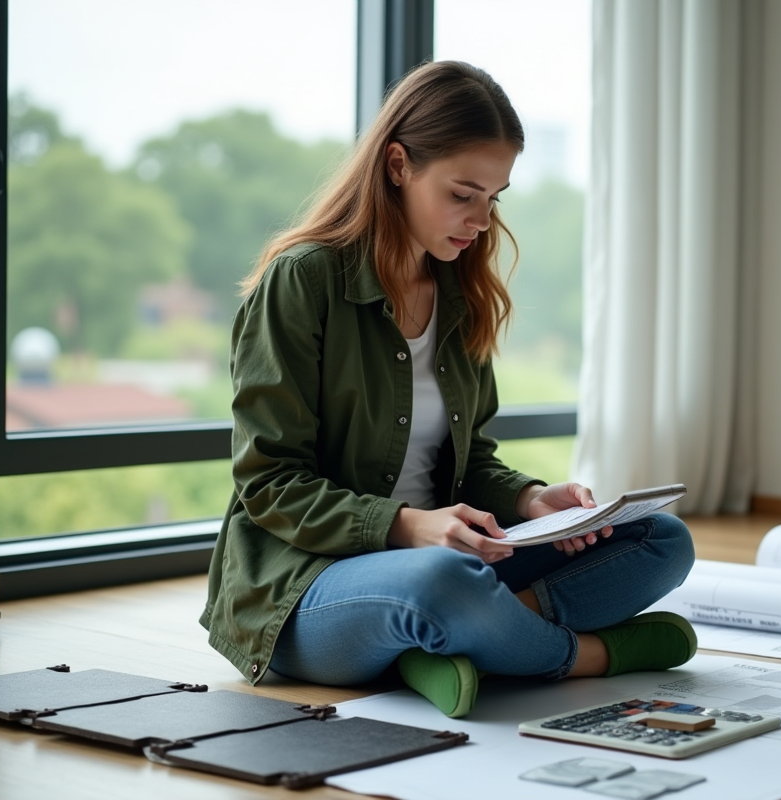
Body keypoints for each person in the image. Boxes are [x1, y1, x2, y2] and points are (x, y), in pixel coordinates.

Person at [200, 60, 697, 718]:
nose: (481, 220)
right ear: (398, 165)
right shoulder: (302, 281)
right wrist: (407, 526)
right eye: (463, 194)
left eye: (494, 198)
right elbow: (269, 483)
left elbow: (470, 461)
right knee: (442, 581)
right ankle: (583, 654)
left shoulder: (459, 289)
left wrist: (530, 499)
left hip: (451, 562)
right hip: (305, 587)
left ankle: (453, 647)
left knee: (661, 538)